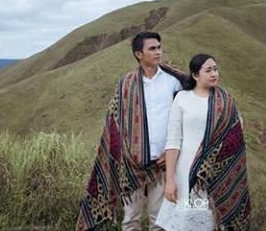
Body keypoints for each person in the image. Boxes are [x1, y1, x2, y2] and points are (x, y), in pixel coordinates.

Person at [77, 31, 187, 231]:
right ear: (139, 54)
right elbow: (115, 122)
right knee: (130, 219)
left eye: (159, 47)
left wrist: (172, 152)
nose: (158, 52)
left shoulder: (174, 81)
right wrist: (124, 155)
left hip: (163, 163)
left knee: (160, 221)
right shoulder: (126, 83)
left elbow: (184, 119)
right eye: (152, 48)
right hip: (130, 165)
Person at [155, 54, 252, 231]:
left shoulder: (226, 101)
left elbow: (236, 136)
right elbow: (173, 141)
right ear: (195, 75)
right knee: (187, 223)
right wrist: (170, 179)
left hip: (217, 173)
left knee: (214, 222)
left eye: (215, 69)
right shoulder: (182, 98)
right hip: (187, 174)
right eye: (208, 70)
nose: (214, 73)